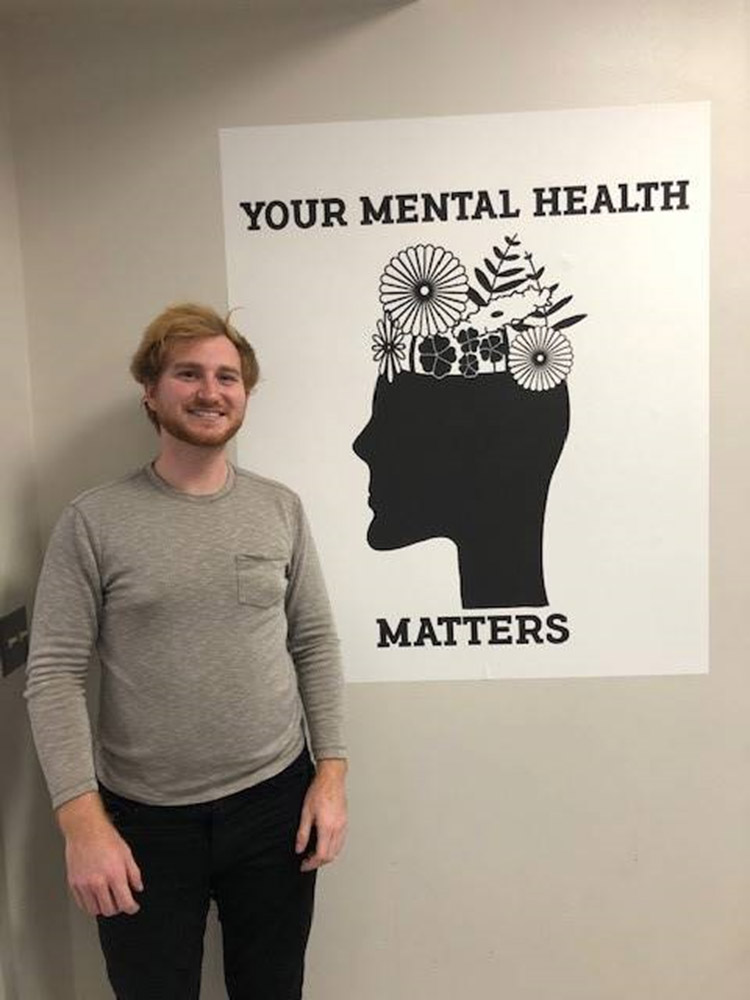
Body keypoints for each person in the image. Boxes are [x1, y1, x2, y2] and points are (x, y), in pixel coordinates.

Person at [24, 303, 347, 1000]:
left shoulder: (279, 508)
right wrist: (82, 824)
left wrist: (331, 777)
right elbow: (51, 674)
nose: (210, 391)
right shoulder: (94, 520)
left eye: (227, 377)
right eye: (188, 373)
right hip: (141, 822)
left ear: (245, 395)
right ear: (151, 389)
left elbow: (314, 642)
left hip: (274, 805)